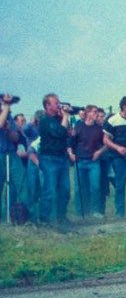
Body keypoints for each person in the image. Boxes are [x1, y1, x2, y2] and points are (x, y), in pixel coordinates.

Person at [36, 94, 72, 225]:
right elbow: (59, 133)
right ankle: (45, 218)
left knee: (65, 189)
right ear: (47, 105)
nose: (59, 105)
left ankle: (61, 216)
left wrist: (65, 117)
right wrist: (66, 116)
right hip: (49, 158)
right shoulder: (45, 120)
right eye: (56, 103)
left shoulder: (59, 118)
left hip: (61, 157)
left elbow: (68, 133)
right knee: (50, 189)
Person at [69, 105, 106, 218]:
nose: (96, 114)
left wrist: (99, 152)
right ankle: (81, 212)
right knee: (79, 188)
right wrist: (71, 154)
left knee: (95, 187)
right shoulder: (78, 126)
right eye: (94, 112)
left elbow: (107, 143)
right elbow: (70, 142)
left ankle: (95, 211)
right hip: (80, 161)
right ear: (88, 113)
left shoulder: (99, 128)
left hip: (93, 162)